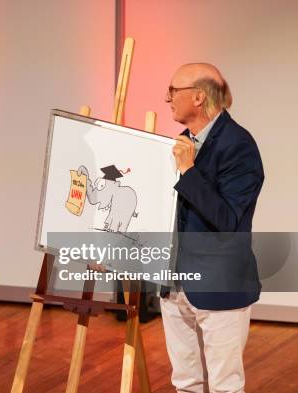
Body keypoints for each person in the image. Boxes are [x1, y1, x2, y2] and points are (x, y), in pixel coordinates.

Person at [161, 63, 264, 393]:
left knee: (225, 386)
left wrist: (189, 171)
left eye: (173, 91)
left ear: (198, 97)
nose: (167, 98)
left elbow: (228, 220)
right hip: (176, 281)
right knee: (184, 382)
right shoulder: (183, 142)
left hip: (220, 285)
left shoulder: (239, 146)